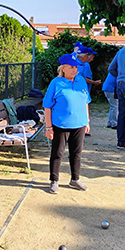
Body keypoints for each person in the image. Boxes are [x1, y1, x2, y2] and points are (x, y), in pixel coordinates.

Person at [44, 54, 91, 194]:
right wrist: (48, 127)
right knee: (57, 153)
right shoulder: (56, 83)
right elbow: (47, 106)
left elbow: (86, 102)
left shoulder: (81, 80)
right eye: (71, 67)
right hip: (61, 125)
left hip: (80, 124)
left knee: (76, 153)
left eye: (76, 67)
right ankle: (54, 180)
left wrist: (87, 121)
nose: (74, 69)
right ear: (63, 68)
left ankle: (75, 180)